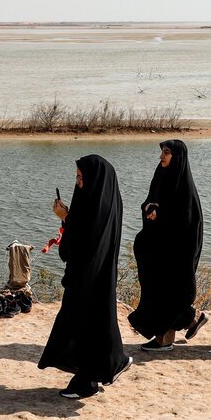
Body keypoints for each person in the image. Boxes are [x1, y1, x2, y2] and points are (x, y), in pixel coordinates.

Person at [38, 155, 133, 399]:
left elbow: (87, 239)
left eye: (81, 178)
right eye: (77, 178)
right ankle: (100, 370)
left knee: (82, 322)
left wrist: (66, 218)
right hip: (93, 274)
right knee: (92, 323)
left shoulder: (99, 205)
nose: (78, 183)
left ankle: (92, 377)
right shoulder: (101, 200)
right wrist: (70, 217)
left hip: (90, 276)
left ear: (95, 179)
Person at [129, 140, 207, 351]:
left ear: (177, 157)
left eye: (166, 153)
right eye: (162, 152)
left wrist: (161, 214)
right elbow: (150, 201)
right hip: (158, 247)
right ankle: (181, 327)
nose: (161, 157)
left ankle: (177, 329)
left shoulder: (184, 186)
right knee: (157, 290)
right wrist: (149, 208)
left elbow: (186, 221)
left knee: (166, 292)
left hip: (175, 251)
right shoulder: (161, 176)